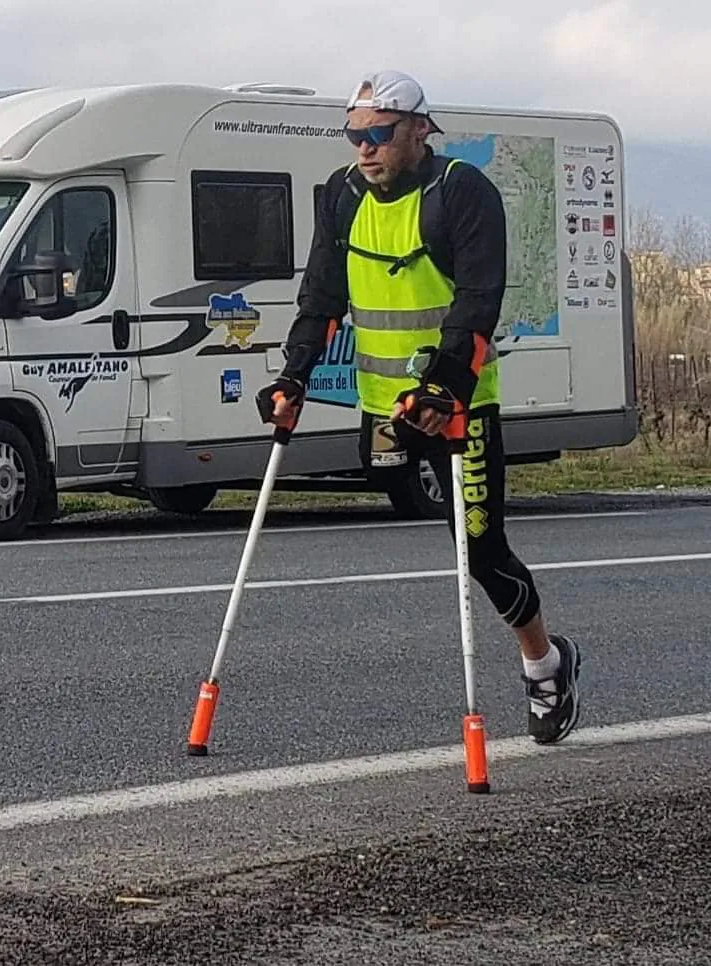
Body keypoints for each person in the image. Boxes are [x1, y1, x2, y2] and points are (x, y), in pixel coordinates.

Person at [255, 70, 581, 745]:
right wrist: (292, 378)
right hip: (384, 404)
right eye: (355, 135)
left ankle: (545, 664)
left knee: (482, 552)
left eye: (378, 134)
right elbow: (321, 295)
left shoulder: (461, 191)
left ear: (418, 130)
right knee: (391, 508)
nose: (364, 148)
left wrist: (445, 387)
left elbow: (477, 299)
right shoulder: (342, 196)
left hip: (459, 404)